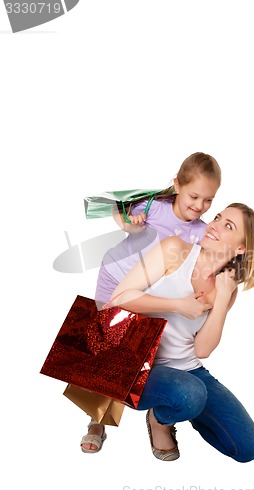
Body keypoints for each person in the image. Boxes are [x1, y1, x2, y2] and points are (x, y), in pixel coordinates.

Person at [106, 203, 254, 462]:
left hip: (188, 371)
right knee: (190, 393)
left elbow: (202, 350)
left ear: (241, 248)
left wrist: (224, 296)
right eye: (217, 217)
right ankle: (161, 420)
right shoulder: (175, 250)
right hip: (137, 365)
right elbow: (119, 298)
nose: (214, 225)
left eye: (228, 226)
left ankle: (173, 408)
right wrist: (178, 305)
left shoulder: (227, 289)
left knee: (248, 448)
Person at [80, 152, 222, 452]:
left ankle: (159, 418)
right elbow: (121, 211)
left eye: (208, 200)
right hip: (114, 283)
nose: (199, 206)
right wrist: (129, 224)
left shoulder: (200, 232)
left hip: (151, 297)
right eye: (194, 196)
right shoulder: (155, 206)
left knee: (140, 354)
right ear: (177, 185)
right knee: (108, 353)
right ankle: (98, 421)